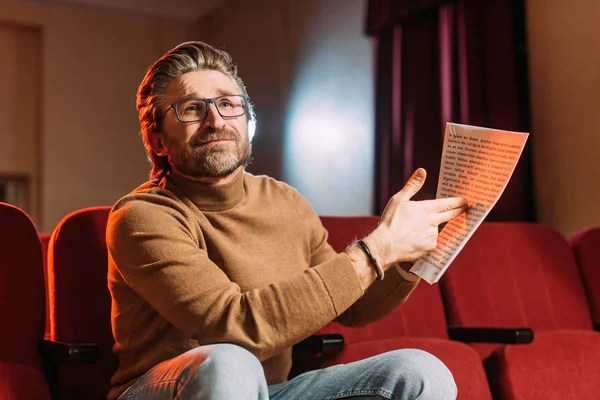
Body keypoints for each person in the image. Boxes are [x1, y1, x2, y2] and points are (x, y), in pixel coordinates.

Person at [106, 41, 467, 400]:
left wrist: (408, 251)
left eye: (229, 104)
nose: (215, 120)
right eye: (192, 109)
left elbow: (355, 306)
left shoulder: (285, 201)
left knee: (422, 371)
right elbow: (233, 327)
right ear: (156, 140)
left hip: (272, 391)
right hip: (167, 390)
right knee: (230, 363)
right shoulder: (142, 216)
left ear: (248, 121)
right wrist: (376, 249)